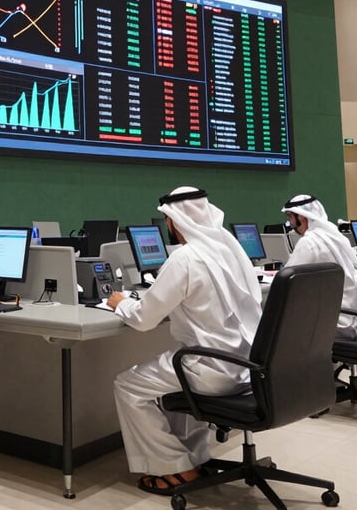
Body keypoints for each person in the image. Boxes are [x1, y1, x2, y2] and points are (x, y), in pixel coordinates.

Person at [107, 186, 262, 496]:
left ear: (174, 221)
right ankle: (195, 456)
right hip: (243, 367)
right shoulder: (229, 250)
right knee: (170, 377)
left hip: (209, 368)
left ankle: (174, 466)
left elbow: (143, 319)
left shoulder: (186, 258)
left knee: (127, 385)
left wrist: (120, 302)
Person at [282, 194, 357, 339]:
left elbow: (285, 279)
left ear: (301, 217)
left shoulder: (309, 242)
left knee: (283, 320)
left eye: (290, 218)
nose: (290, 223)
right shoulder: (335, 237)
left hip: (338, 321)